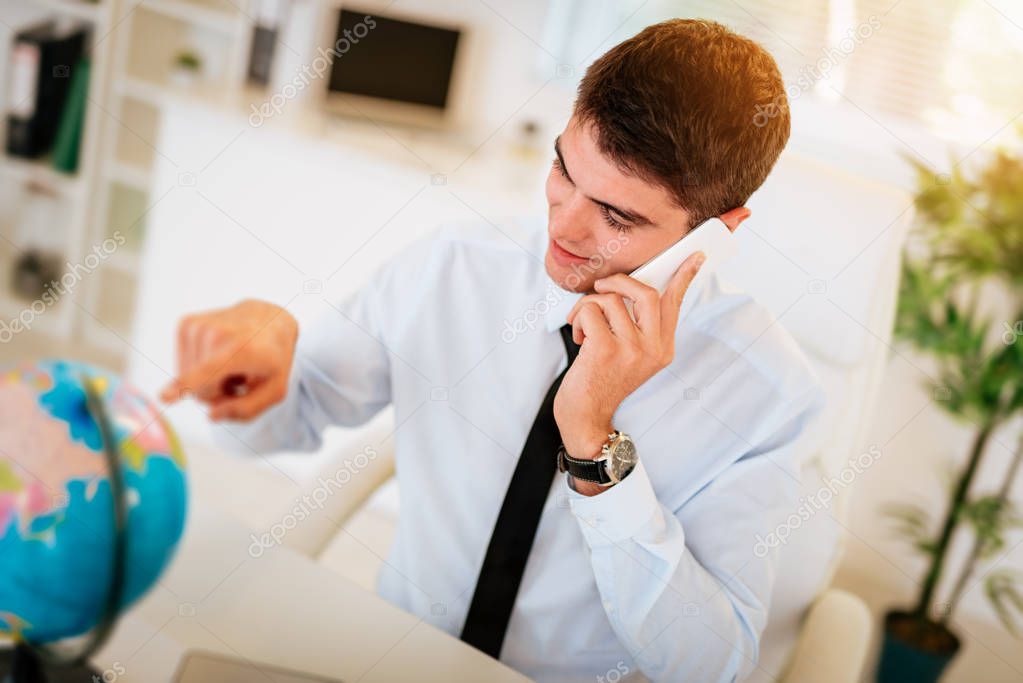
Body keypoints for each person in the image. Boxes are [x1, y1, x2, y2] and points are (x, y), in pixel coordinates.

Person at [161, 19, 825, 683]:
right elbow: (288, 421)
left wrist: (594, 446)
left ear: (717, 232)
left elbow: (711, 666)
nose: (562, 225)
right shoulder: (453, 268)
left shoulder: (768, 394)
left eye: (617, 217)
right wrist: (256, 371)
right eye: (564, 170)